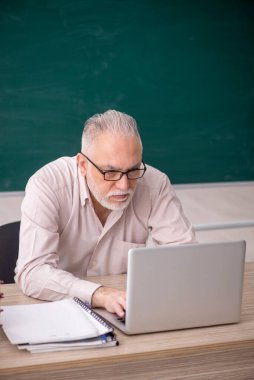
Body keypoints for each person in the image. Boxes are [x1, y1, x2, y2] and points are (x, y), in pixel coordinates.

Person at [15, 110, 196, 318]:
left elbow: (186, 259)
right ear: (83, 165)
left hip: (122, 309)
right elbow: (32, 273)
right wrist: (101, 295)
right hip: (57, 309)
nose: (124, 185)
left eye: (134, 170)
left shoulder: (155, 184)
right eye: (110, 173)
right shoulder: (47, 185)